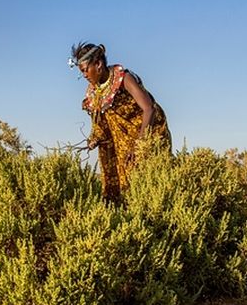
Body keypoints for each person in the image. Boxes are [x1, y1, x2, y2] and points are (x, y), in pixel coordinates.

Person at [70, 42, 171, 203]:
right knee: (121, 183)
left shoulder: (124, 78)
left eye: (84, 70)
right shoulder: (93, 92)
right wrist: (94, 138)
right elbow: (100, 122)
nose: (84, 75)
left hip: (147, 131)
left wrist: (139, 145)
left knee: (147, 181)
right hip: (121, 141)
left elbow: (149, 109)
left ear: (98, 64)